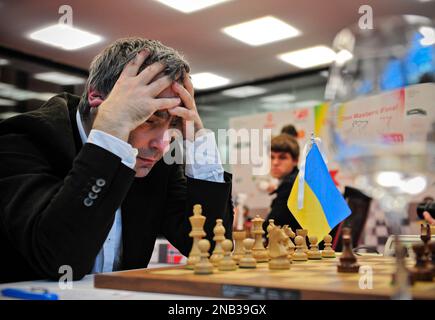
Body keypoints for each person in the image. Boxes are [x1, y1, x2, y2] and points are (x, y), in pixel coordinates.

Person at [0, 38, 233, 283]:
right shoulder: (22, 139)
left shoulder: (157, 160)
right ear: (96, 98)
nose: (162, 145)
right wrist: (111, 136)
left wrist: (198, 142)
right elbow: (60, 260)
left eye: (173, 124)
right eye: (147, 119)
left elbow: (210, 249)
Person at [263, 134, 300, 232]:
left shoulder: (291, 185)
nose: (275, 162)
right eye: (272, 157)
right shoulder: (296, 180)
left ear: (295, 160)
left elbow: (271, 225)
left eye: (282, 158)